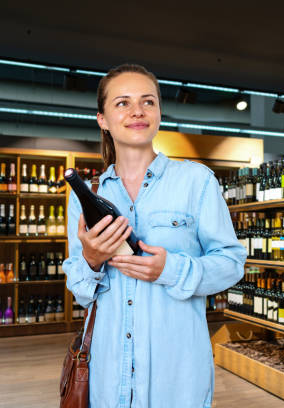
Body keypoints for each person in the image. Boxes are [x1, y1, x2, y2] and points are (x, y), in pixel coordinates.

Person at [63, 64, 246, 408]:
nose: (137, 111)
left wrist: (170, 271)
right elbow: (81, 291)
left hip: (178, 380)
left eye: (148, 102)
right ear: (102, 119)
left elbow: (232, 264)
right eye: (122, 103)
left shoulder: (197, 182)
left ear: (159, 112)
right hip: (109, 377)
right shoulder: (85, 196)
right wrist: (91, 260)